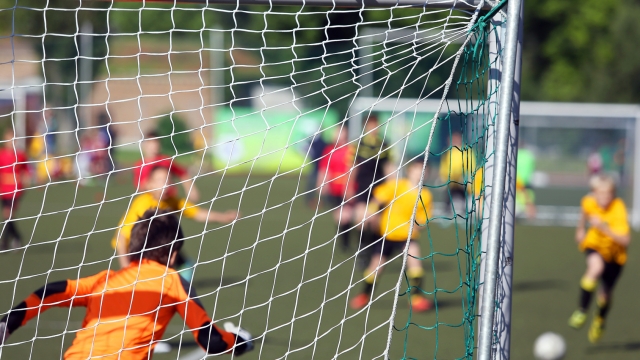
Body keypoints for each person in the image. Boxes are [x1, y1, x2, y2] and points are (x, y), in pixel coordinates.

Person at [0, 209, 254, 359]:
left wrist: (9, 322)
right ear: (174, 256)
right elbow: (213, 342)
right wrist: (240, 340)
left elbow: (51, 291)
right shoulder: (172, 281)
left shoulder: (107, 279)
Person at [113, 165, 238, 276]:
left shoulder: (172, 201)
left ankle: (178, 290)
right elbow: (122, 236)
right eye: (160, 180)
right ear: (149, 184)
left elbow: (197, 213)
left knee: (185, 266)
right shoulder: (143, 205)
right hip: (132, 248)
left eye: (168, 180)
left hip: (156, 245)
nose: (166, 184)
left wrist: (223, 217)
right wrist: (126, 266)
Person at [350, 159, 432, 312]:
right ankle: (364, 295)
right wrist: (371, 212)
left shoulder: (425, 195)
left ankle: (416, 298)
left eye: (423, 171)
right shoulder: (397, 185)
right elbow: (378, 198)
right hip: (387, 233)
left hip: (407, 236)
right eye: (417, 170)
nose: (420, 173)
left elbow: (423, 219)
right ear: (410, 171)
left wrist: (418, 225)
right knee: (376, 267)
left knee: (415, 263)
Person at [568, 174, 630, 343]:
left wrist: (603, 227)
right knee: (595, 268)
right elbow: (584, 213)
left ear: (613, 194)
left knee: (605, 295)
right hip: (594, 245)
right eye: (599, 194)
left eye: (608, 194)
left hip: (615, 256)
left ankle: (600, 320)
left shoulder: (618, 208)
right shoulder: (588, 201)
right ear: (593, 193)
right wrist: (580, 230)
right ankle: (582, 310)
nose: (604, 198)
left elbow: (626, 239)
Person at [352, 115, 390, 255]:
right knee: (361, 219)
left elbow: (388, 167)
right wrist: (350, 186)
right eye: (371, 125)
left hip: (379, 188)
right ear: (366, 126)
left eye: (376, 125)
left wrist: (392, 186)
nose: (373, 128)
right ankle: (362, 249)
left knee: (375, 221)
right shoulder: (358, 145)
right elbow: (353, 167)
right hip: (362, 187)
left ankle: (375, 250)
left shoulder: (384, 144)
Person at [317, 128, 355, 251]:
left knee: (347, 215)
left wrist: (350, 186)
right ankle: (344, 242)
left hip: (349, 189)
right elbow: (325, 169)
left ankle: (347, 242)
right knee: (339, 217)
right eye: (336, 134)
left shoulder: (351, 150)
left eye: (341, 134)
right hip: (335, 190)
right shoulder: (329, 151)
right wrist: (322, 184)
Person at [135, 131, 199, 203]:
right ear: (145, 145)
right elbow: (140, 186)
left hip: (170, 200)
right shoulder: (140, 165)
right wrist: (157, 187)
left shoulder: (165, 160)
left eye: (156, 142)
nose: (154, 145)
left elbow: (182, 173)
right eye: (151, 143)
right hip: (151, 201)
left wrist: (191, 190)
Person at [0, 128, 29, 250]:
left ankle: (4, 242)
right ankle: (16, 238)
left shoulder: (20, 155)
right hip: (3, 188)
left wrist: (25, 183)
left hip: (15, 188)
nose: (11, 141)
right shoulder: (1, 154)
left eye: (13, 139)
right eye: (8, 139)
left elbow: (25, 170)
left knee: (8, 214)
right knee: (8, 216)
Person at [439, 132, 475, 220]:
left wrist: (468, 176)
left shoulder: (466, 150)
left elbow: (471, 164)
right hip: (451, 179)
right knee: (449, 194)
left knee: (463, 194)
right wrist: (443, 177)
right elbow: (444, 165)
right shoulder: (448, 151)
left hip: (463, 178)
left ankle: (464, 211)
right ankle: (446, 211)